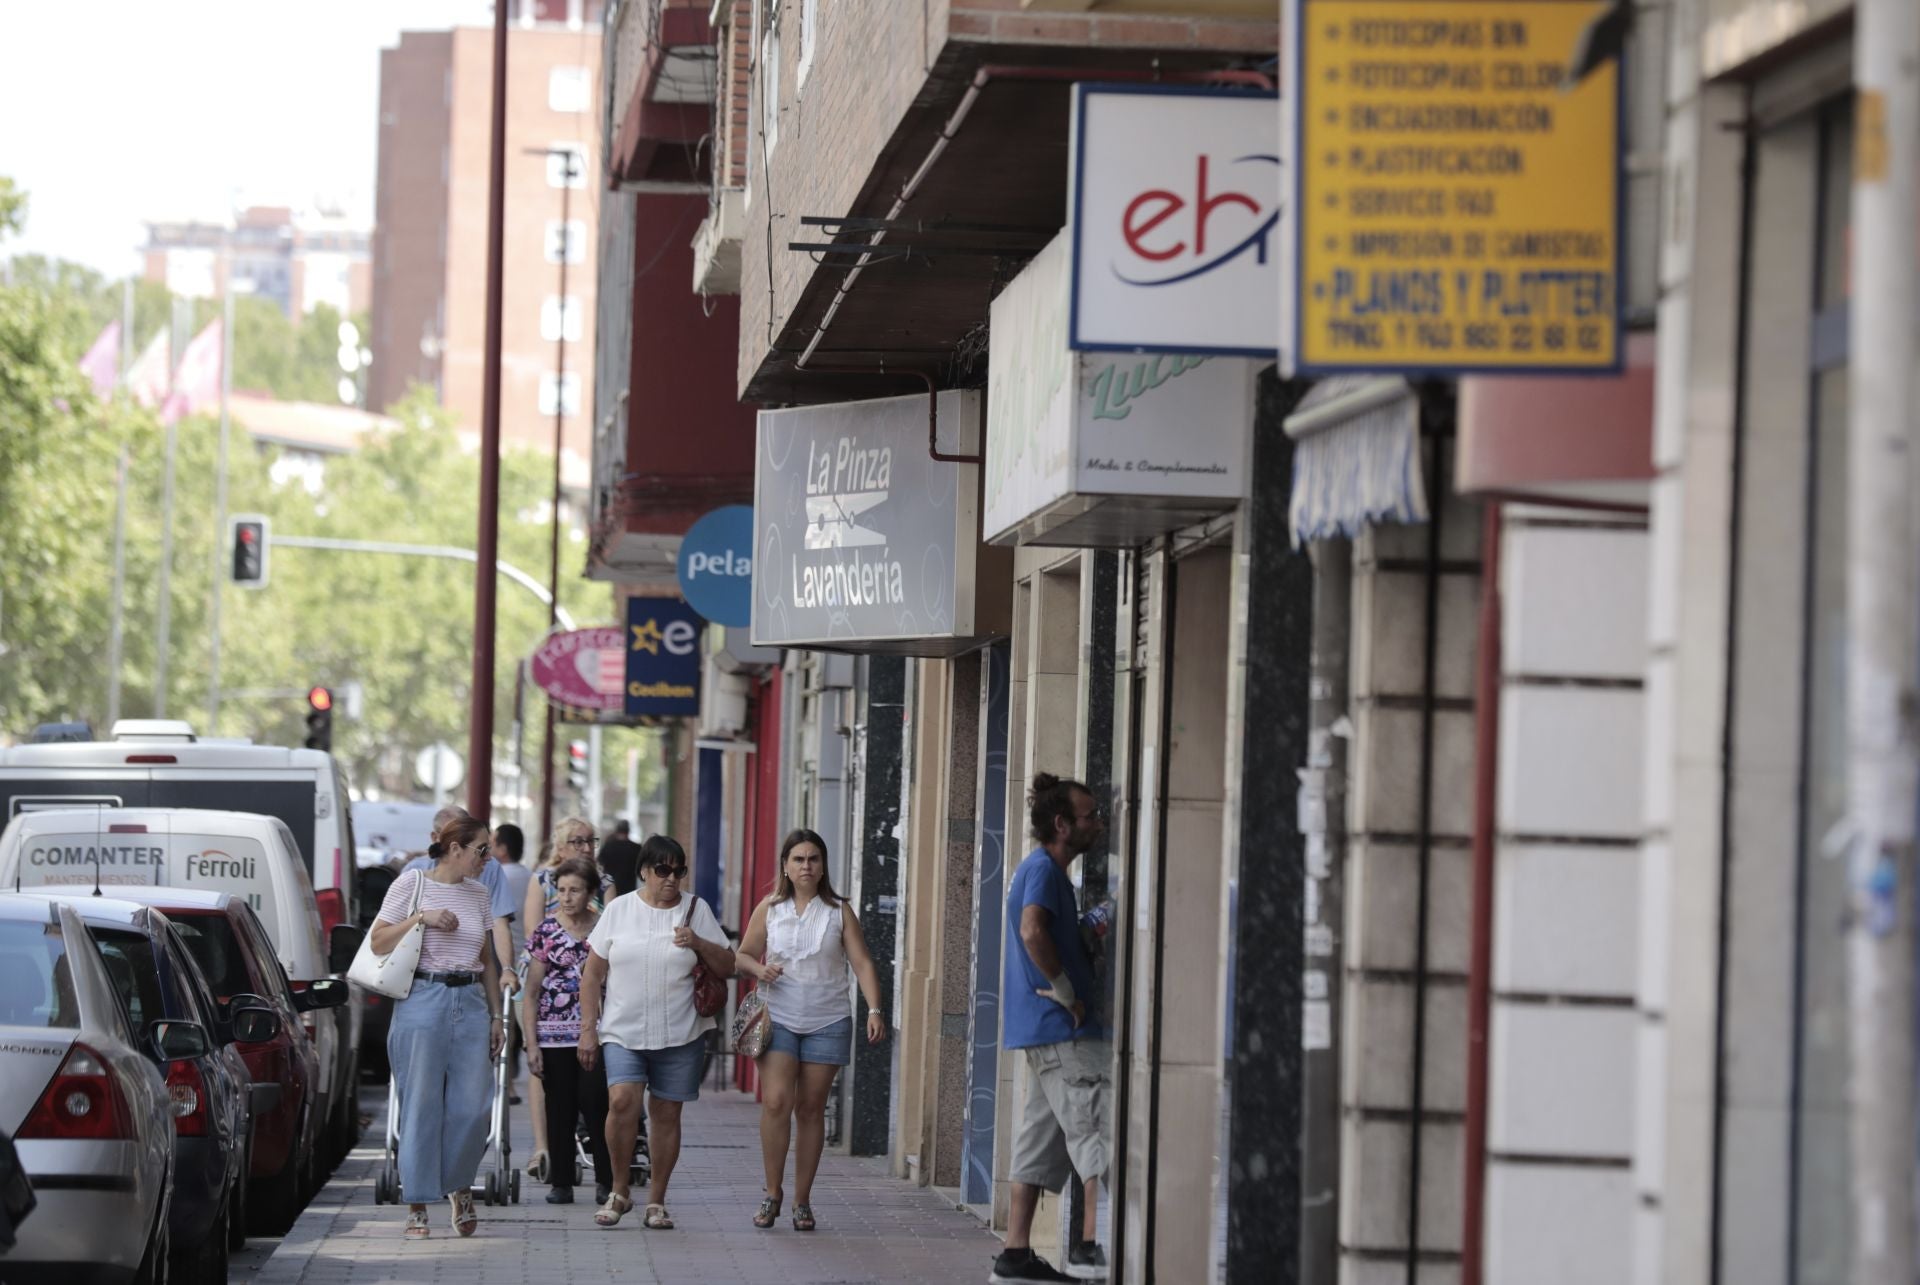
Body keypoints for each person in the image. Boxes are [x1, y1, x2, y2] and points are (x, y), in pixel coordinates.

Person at [734, 828, 888, 1232]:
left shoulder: (839, 911)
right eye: (798, 859)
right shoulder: (770, 907)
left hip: (828, 1020)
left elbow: (863, 963)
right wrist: (759, 968)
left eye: (813, 859)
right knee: (776, 1102)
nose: (806, 865)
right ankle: (772, 1193)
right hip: (779, 1015)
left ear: (823, 867)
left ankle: (802, 1200)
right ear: (785, 865)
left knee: (810, 1109)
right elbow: (743, 955)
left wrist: (874, 1009)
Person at [991, 774, 1112, 1284]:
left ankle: (1015, 1256)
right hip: (1062, 1029)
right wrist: (1066, 990)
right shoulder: (1042, 869)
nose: (1097, 823)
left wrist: (1091, 926)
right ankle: (1089, 1247)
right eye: (1089, 816)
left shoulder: (1041, 871)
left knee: (1038, 1141)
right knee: (1095, 1132)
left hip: (1041, 1033)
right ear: (1062, 824)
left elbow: (1049, 928)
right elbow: (1032, 928)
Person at [578, 834, 733, 1230]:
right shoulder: (619, 910)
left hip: (680, 1032)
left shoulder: (695, 910)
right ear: (644, 871)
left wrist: (697, 942)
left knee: (666, 1113)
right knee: (622, 1103)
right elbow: (593, 974)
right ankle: (618, 1189)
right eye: (662, 870)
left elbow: (727, 965)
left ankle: (657, 1201)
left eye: (678, 871)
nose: (671, 879)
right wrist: (587, 1029)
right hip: (622, 1029)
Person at [370, 814, 505, 1240]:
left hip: (470, 1000)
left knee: (474, 1106)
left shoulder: (480, 894)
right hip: (422, 999)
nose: (487, 858)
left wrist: (498, 1016)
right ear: (455, 848)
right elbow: (377, 940)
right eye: (481, 850)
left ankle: (458, 1184)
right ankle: (417, 1204)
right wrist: (421, 919)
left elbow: (487, 961)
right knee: (420, 1103)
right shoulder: (412, 885)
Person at [520, 816, 616, 1182]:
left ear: (590, 893)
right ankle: (560, 1181)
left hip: (597, 1030)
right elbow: (531, 992)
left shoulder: (604, 928)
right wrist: (531, 1043)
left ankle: (607, 1181)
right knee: (559, 1106)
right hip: (552, 1032)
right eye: (561, 890)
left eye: (574, 890)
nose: (566, 897)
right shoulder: (546, 932)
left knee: (596, 1102)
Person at [401, 806, 519, 999]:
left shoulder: (488, 871)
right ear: (435, 838)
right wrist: (422, 918)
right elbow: (387, 932)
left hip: (474, 982)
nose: (486, 857)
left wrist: (507, 968)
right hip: (421, 985)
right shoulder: (413, 874)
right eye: (450, 834)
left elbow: (499, 922)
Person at [597, 820, 643, 899]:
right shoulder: (636, 848)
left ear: (617, 831)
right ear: (628, 831)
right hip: (629, 889)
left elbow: (600, 864)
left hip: (610, 888)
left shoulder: (608, 846)